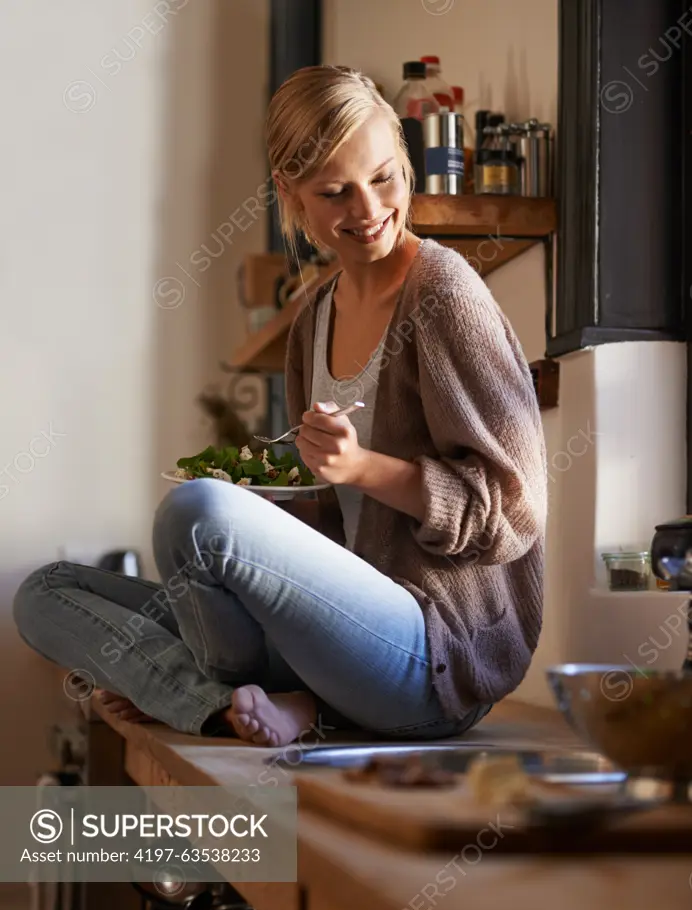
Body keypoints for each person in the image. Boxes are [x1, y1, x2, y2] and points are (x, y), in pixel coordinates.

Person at [12, 65, 547, 747]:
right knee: (45, 592)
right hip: (325, 647)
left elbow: (515, 511)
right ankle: (221, 700)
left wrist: (361, 468)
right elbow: (338, 525)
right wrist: (278, 511)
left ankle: (204, 691)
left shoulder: (444, 294)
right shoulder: (312, 322)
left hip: (431, 657)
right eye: (334, 192)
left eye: (384, 177)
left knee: (195, 510)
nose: (368, 208)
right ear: (290, 196)